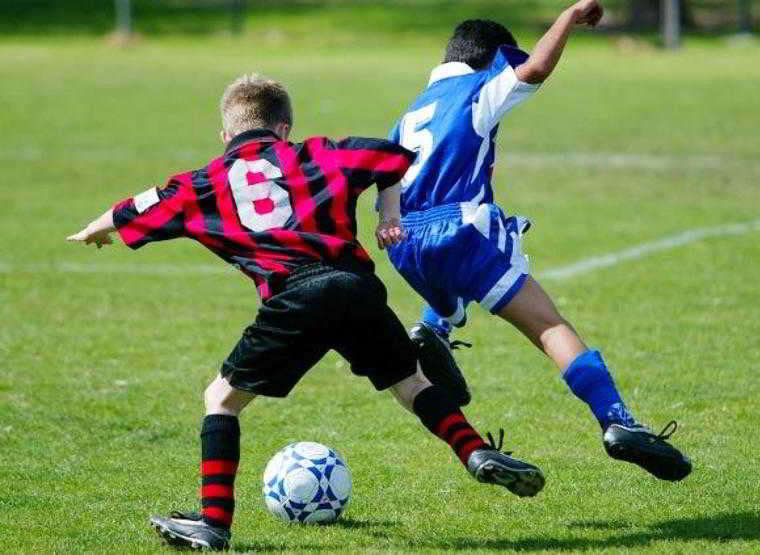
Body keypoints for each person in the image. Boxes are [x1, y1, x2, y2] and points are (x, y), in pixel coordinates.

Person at [67, 74, 544, 551]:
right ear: (284, 128)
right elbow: (392, 156)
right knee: (412, 383)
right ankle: (475, 451)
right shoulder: (317, 153)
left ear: (225, 135)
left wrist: (96, 228)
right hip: (355, 287)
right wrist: (389, 214)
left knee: (221, 399)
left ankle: (213, 523)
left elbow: (140, 204)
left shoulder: (204, 182)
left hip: (293, 296)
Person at [384, 0, 692, 482]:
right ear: (490, 59)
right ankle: (617, 421)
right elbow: (537, 69)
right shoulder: (477, 90)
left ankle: (434, 326)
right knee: (549, 325)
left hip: (402, 241)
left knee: (457, 268)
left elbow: (383, 177)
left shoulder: (409, 113)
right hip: (457, 230)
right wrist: (570, 15)